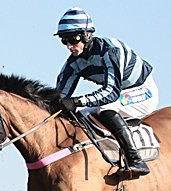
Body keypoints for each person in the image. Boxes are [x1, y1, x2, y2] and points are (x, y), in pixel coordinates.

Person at [54, 7, 159, 175]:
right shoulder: (73, 63)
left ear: (87, 35)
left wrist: (77, 101)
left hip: (142, 91)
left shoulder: (110, 51)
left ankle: (136, 160)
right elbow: (59, 97)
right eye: (64, 41)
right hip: (119, 93)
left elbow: (111, 92)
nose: (69, 46)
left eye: (73, 39)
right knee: (79, 114)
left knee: (105, 108)